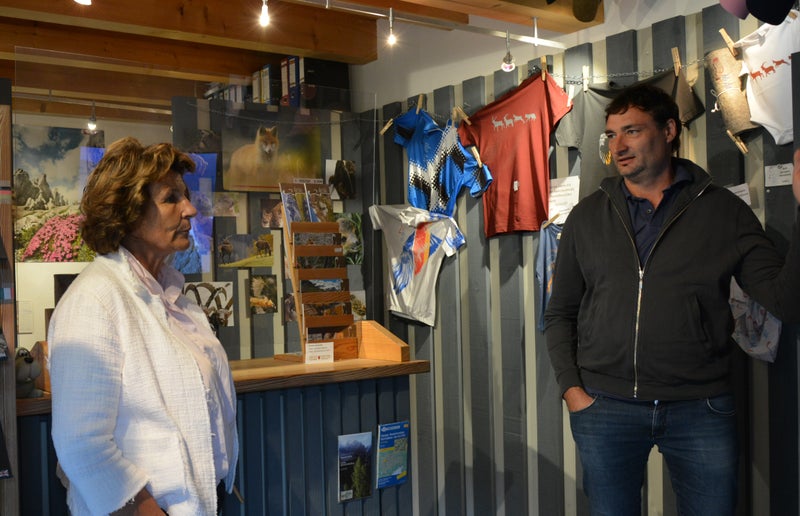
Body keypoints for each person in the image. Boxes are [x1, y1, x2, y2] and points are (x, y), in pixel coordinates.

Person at [544, 83, 800, 515]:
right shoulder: (587, 216)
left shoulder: (723, 211)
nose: (618, 146)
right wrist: (572, 389)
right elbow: (560, 312)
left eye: (632, 131)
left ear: (668, 130)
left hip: (700, 407)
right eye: (611, 135)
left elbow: (786, 300)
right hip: (605, 406)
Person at [48, 137, 239, 515]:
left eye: (185, 196)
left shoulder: (174, 298)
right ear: (129, 213)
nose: (189, 209)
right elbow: (81, 445)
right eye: (171, 198)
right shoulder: (94, 300)